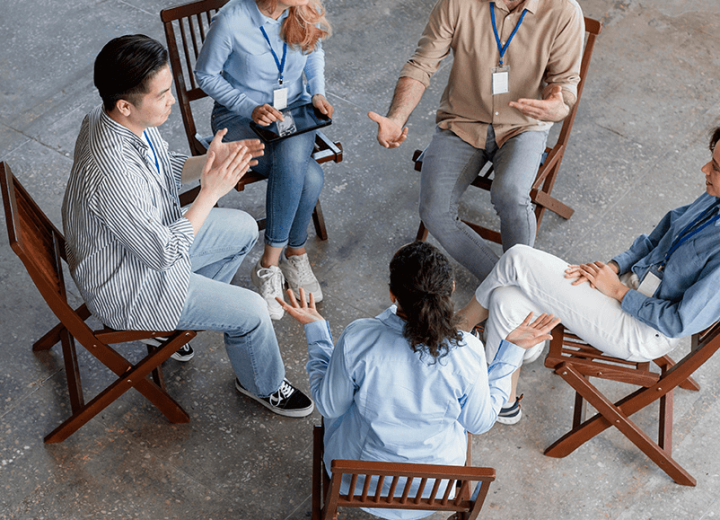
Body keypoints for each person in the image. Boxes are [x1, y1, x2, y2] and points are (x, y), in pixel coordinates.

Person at [62, 34, 313, 418]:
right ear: (125, 105)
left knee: (244, 228)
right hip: (130, 287)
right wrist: (210, 192)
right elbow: (163, 253)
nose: (171, 101)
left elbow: (162, 165)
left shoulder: (113, 118)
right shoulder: (111, 171)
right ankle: (261, 384)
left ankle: (175, 328)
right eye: (162, 95)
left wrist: (210, 161)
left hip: (140, 249)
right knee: (251, 311)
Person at [457, 127, 720, 424]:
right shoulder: (713, 199)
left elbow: (678, 322)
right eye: (710, 159)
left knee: (518, 258)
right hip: (623, 287)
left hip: (641, 327)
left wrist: (618, 291)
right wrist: (613, 268)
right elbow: (656, 240)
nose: (705, 169)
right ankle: (504, 403)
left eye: (716, 167)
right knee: (506, 299)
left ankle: (459, 327)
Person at [279, 242, 558, 519]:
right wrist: (510, 353)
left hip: (357, 483)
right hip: (434, 490)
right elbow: (479, 423)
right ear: (451, 289)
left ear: (392, 294)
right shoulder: (468, 351)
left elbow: (330, 406)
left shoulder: (359, 338)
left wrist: (318, 334)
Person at [368, 0, 584, 282]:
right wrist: (396, 118)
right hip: (462, 120)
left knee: (510, 195)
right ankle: (507, 283)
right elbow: (421, 65)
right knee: (434, 211)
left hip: (523, 125)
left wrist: (557, 106)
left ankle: (518, 279)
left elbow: (564, 85)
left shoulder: (564, 10)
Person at [195, 0, 333, 320]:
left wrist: (317, 91)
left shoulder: (305, 7)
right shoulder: (230, 20)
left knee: (295, 158)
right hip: (239, 117)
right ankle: (292, 253)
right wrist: (249, 107)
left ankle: (270, 263)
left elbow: (314, 51)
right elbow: (206, 74)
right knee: (309, 175)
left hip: (293, 110)